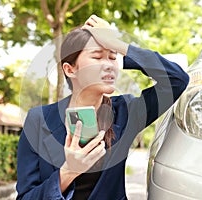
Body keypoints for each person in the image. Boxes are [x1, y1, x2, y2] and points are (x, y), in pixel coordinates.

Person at [16, 15, 189, 200]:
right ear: (69, 69)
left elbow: (177, 80)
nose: (108, 65)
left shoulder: (126, 111)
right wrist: (68, 172)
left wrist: (119, 45)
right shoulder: (39, 119)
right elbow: (26, 196)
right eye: (97, 57)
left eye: (112, 57)